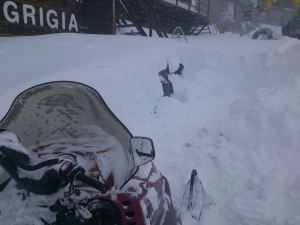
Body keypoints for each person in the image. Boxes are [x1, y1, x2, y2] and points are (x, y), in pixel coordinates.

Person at [0, 129, 84, 195]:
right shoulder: (26, 168)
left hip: (43, 182)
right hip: (41, 180)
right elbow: (29, 167)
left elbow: (29, 167)